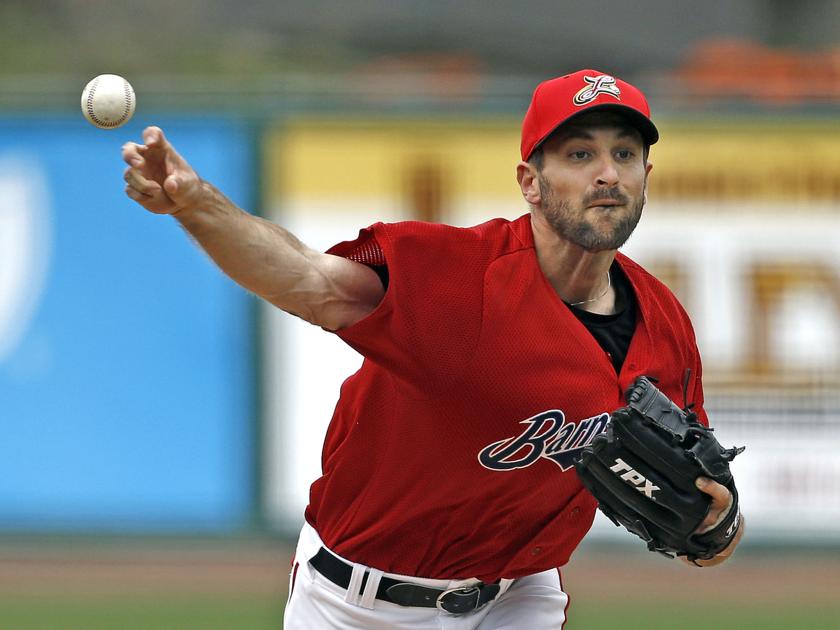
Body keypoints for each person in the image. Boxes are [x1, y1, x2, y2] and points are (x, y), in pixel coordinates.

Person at [122, 69, 744, 629]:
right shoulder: (456, 278)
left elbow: (700, 497)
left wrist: (718, 526)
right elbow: (308, 281)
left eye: (625, 154)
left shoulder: (665, 324)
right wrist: (197, 205)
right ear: (530, 182)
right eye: (580, 153)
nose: (607, 172)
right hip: (355, 603)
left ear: (645, 178)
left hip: (519, 598)